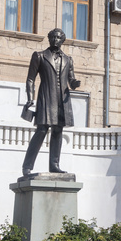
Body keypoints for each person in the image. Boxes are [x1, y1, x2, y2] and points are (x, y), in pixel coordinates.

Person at [21, 28, 81, 175]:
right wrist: (30, 98)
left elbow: (71, 79)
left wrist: (75, 83)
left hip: (62, 100)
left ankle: (54, 165)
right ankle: (27, 166)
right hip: (46, 97)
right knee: (41, 130)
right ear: (49, 39)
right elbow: (30, 79)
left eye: (58, 37)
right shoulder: (39, 56)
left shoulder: (68, 59)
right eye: (53, 37)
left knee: (58, 131)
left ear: (63, 40)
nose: (55, 40)